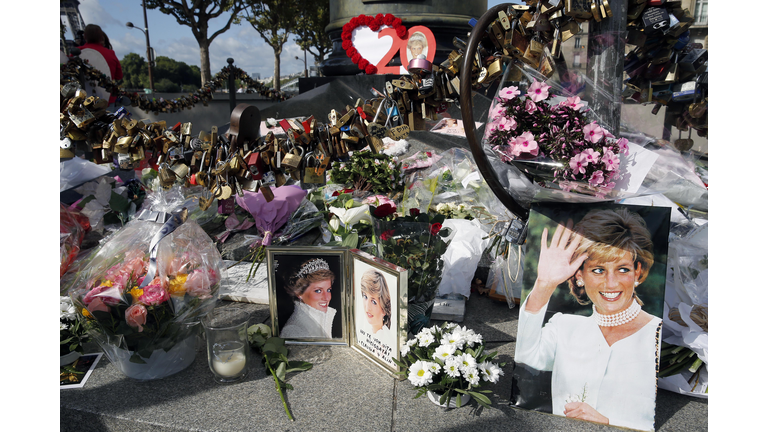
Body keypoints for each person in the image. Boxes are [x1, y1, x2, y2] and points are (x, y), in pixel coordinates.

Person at [514, 208, 662, 432]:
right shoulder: (564, 326)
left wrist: (609, 425)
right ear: (580, 276)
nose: (611, 283)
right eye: (598, 270)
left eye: (622, 269)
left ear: (638, 273)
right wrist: (545, 283)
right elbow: (525, 355)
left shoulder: (658, 334)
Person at [279, 258, 337, 339]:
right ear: (299, 293)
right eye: (318, 291)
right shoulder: (294, 331)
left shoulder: (326, 317)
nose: (327, 297)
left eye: (328, 290)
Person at [78, 24, 123, 104]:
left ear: (84, 36)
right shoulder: (110, 53)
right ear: (101, 37)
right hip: (107, 100)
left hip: (82, 100)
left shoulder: (77, 52)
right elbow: (119, 76)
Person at [360, 269, 391, 336]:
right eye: (365, 297)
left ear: (384, 309)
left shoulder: (387, 341)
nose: (368, 308)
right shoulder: (363, 331)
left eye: (374, 302)